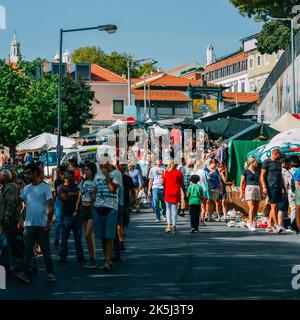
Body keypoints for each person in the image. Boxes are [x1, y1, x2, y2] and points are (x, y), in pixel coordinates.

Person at [15, 164, 55, 283]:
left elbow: (51, 207)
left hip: (42, 225)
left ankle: (50, 272)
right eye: (26, 173)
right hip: (29, 225)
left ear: (36, 173)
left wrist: (48, 222)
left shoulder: (45, 187)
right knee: (27, 251)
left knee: (46, 251)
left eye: (29, 173)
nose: (26, 175)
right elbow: (19, 203)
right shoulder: (26, 188)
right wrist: (18, 189)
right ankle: (25, 273)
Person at [93, 156, 122, 272]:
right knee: (102, 236)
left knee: (109, 236)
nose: (101, 167)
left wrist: (106, 176)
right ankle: (106, 258)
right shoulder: (97, 174)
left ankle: (108, 261)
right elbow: (95, 190)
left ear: (108, 164)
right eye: (99, 165)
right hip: (98, 207)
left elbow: (112, 189)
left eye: (103, 164)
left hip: (111, 207)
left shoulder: (116, 174)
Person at [58, 169, 86, 263]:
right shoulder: (61, 188)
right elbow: (64, 198)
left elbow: (80, 195)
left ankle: (80, 256)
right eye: (72, 176)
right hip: (66, 215)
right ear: (66, 177)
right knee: (64, 237)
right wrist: (75, 195)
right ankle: (63, 256)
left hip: (76, 214)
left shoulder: (75, 186)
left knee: (78, 237)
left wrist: (72, 194)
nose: (74, 177)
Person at [75, 162, 97, 269]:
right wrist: (76, 209)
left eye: (87, 169)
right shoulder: (83, 182)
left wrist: (93, 208)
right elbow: (79, 196)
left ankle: (93, 258)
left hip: (91, 208)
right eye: (85, 169)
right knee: (88, 236)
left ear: (92, 170)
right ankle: (92, 257)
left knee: (88, 234)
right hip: (83, 208)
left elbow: (95, 195)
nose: (85, 171)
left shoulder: (95, 181)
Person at [260, 148, 285, 234]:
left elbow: (280, 176)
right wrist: (264, 187)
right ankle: (277, 225)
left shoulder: (279, 163)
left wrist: (284, 187)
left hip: (278, 187)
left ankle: (269, 225)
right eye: (279, 155)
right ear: (275, 153)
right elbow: (262, 175)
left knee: (275, 206)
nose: (280, 157)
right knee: (274, 206)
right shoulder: (267, 162)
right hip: (271, 186)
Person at [0, 169, 19, 272]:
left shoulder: (10, 186)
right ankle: (7, 263)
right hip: (5, 220)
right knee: (6, 242)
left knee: (7, 242)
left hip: (9, 220)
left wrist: (7, 217)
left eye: (0, 175)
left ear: (5, 177)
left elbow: (10, 204)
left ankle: (11, 264)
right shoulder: (5, 187)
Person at [162, 160, 186, 233]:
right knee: (174, 209)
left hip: (168, 191)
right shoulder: (179, 173)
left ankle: (168, 225)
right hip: (176, 192)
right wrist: (185, 192)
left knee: (168, 209)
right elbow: (182, 184)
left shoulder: (165, 172)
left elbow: (163, 183)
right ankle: (174, 226)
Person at [240, 157, 261, 232]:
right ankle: (251, 224)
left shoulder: (257, 171)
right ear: (252, 162)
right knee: (251, 207)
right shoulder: (245, 171)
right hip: (249, 188)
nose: (257, 163)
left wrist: (261, 190)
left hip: (257, 188)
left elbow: (259, 181)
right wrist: (241, 193)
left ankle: (250, 221)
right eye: (256, 162)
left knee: (256, 208)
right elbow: (242, 183)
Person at [193, 160, 212, 226]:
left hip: (196, 191)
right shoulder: (205, 172)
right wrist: (209, 191)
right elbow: (208, 183)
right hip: (204, 190)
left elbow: (191, 183)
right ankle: (202, 221)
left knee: (197, 206)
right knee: (203, 206)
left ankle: (196, 220)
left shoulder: (194, 173)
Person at [53, 165, 67, 247]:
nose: (57, 173)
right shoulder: (57, 181)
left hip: (65, 201)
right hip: (59, 200)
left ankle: (63, 238)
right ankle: (57, 238)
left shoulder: (67, 180)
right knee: (59, 221)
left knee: (64, 221)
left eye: (58, 172)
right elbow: (58, 192)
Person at [294, 165, 300, 231]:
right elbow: (297, 183)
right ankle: (298, 226)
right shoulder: (298, 170)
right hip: (299, 190)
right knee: (298, 206)